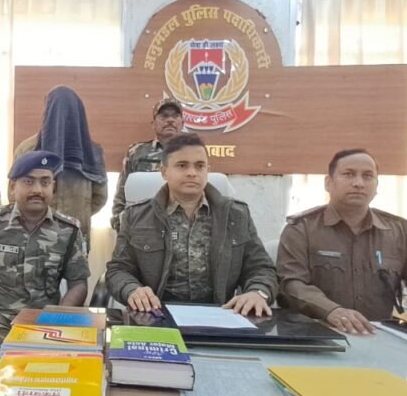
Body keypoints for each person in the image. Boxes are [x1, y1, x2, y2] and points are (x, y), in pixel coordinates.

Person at [276, 148, 407, 335]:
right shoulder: (302, 229)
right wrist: (332, 311)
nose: (359, 183)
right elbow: (291, 284)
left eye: (367, 176)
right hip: (316, 336)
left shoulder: (398, 232)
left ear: (376, 186)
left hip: (378, 336)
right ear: (328, 183)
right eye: (348, 174)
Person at [0, 151, 90, 388]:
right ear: (12, 187)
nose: (37, 189)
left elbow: (78, 283)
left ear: (53, 187)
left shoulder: (68, 230)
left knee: (57, 374)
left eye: (45, 182)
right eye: (28, 181)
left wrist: (57, 318)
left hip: (45, 319)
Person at [106, 133, 276, 316]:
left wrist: (258, 292)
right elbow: (118, 270)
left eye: (199, 166)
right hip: (155, 315)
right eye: (182, 165)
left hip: (220, 315)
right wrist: (132, 289)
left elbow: (261, 268)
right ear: (164, 172)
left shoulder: (235, 215)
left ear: (207, 170)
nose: (192, 173)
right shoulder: (137, 216)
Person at [14, 85, 107, 244]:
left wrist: (72, 219)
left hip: (75, 236)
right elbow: (15, 192)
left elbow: (99, 197)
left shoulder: (92, 152)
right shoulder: (28, 149)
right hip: (35, 234)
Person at [110, 99, 184, 231]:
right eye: (164, 116)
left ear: (182, 123)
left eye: (175, 116)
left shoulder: (193, 152)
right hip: (142, 226)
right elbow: (122, 192)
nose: (170, 120)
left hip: (180, 227)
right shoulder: (137, 152)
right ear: (153, 124)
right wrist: (119, 223)